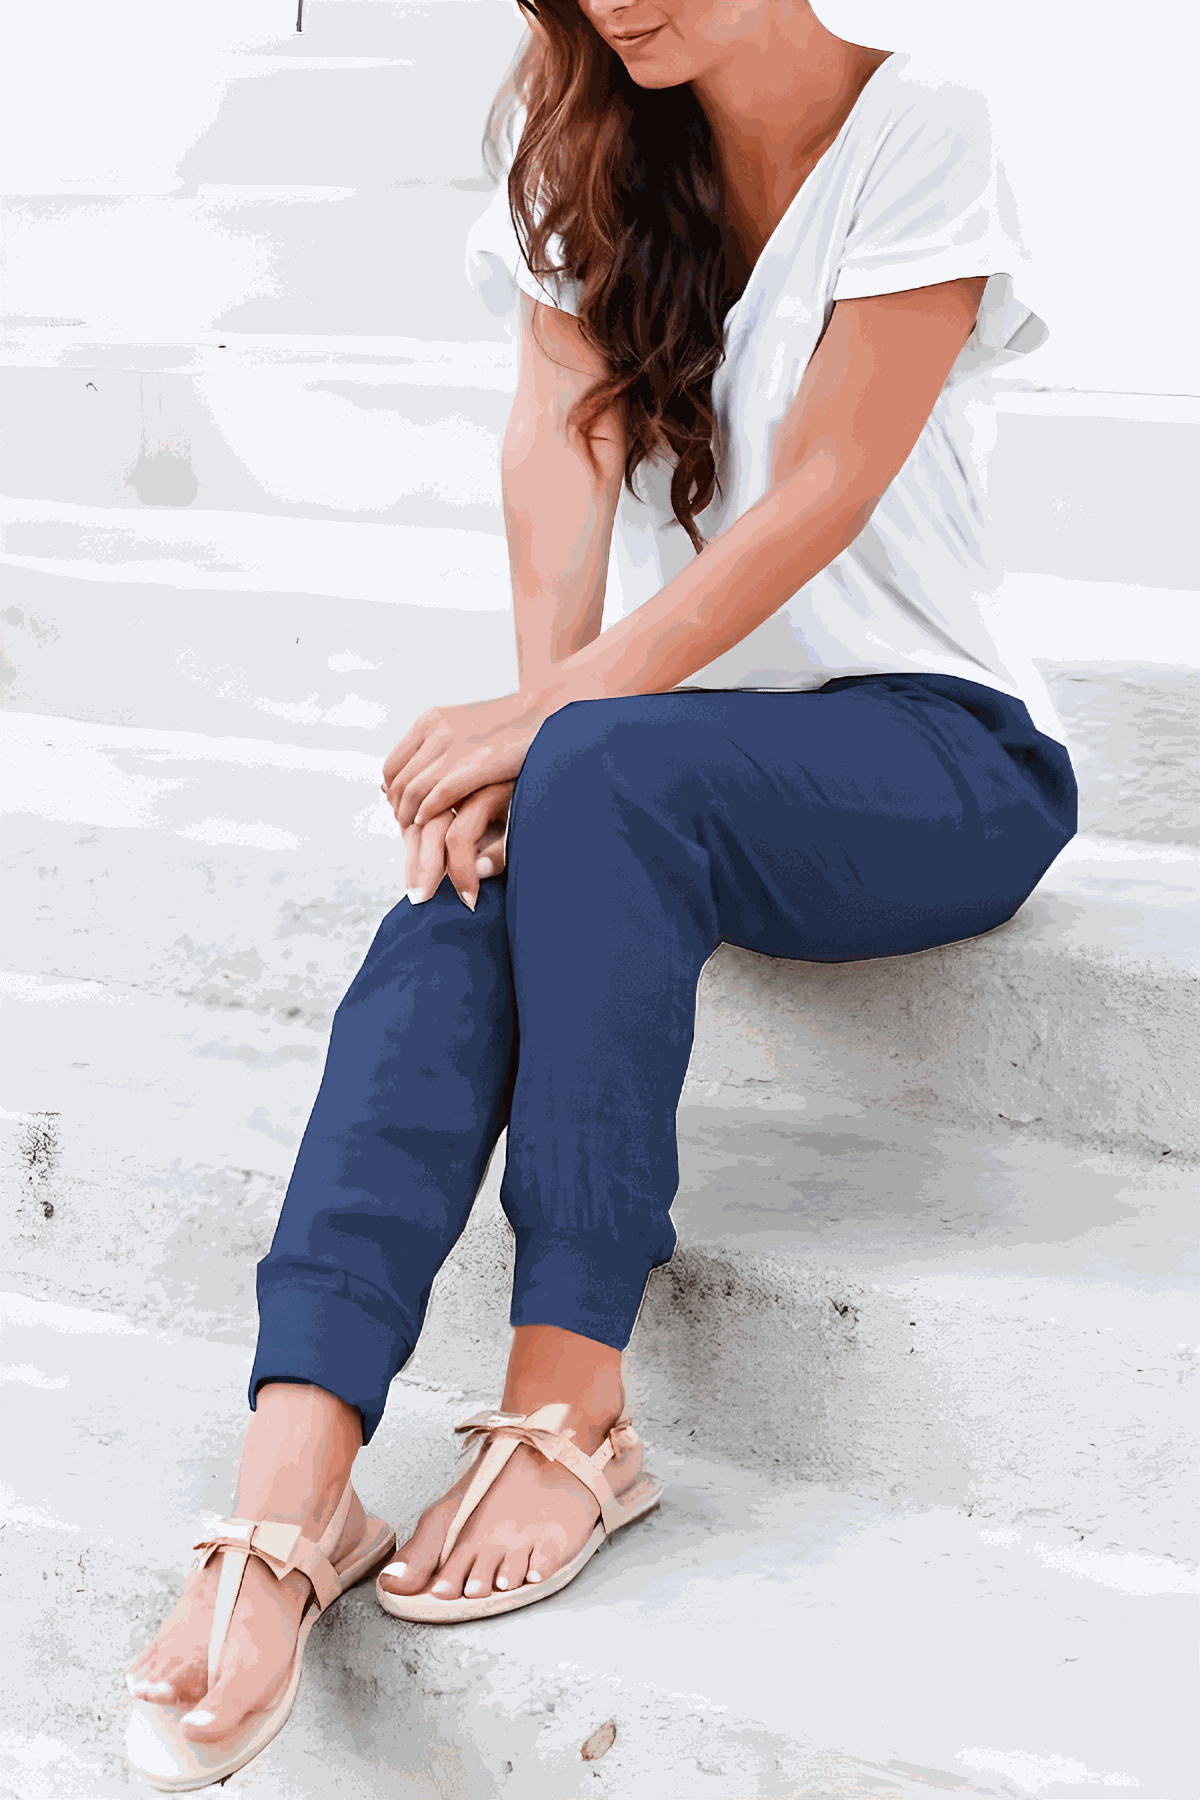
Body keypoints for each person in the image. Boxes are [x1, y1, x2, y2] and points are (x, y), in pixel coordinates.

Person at [125, 1, 1077, 1788]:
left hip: (940, 760)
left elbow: (821, 498)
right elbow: (552, 461)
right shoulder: (577, 135)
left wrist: (546, 724)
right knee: (471, 881)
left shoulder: (923, 129)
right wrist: (525, 747)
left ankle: (574, 1405)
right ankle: (291, 1489)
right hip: (651, 753)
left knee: (584, 770)